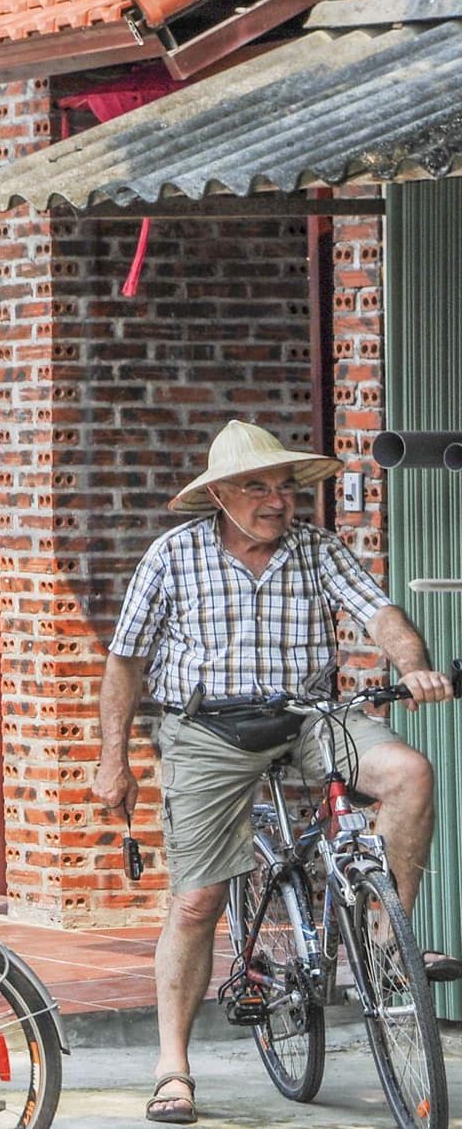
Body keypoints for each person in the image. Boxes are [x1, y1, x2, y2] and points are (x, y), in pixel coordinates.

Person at [93, 420, 456, 1126]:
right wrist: (114, 760)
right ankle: (173, 1067)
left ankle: (386, 947)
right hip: (209, 728)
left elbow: (379, 613)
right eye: (257, 487)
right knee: (199, 901)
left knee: (410, 772)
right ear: (221, 495)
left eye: (284, 487)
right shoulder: (173, 556)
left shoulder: (316, 550)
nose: (276, 500)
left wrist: (411, 665)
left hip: (312, 716)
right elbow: (126, 661)